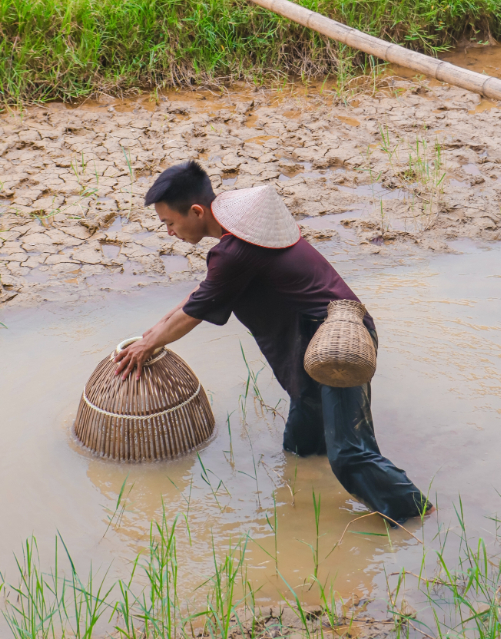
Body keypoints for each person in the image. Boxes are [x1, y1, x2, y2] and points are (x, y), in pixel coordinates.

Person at [114, 161, 430, 525]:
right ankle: (304, 490)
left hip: (339, 343)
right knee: (302, 441)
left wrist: (147, 345)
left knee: (350, 454)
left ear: (197, 212)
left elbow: (195, 312)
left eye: (169, 222)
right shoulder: (237, 235)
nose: (169, 231)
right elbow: (201, 296)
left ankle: (417, 516)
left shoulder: (234, 251)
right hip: (311, 331)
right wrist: (151, 336)